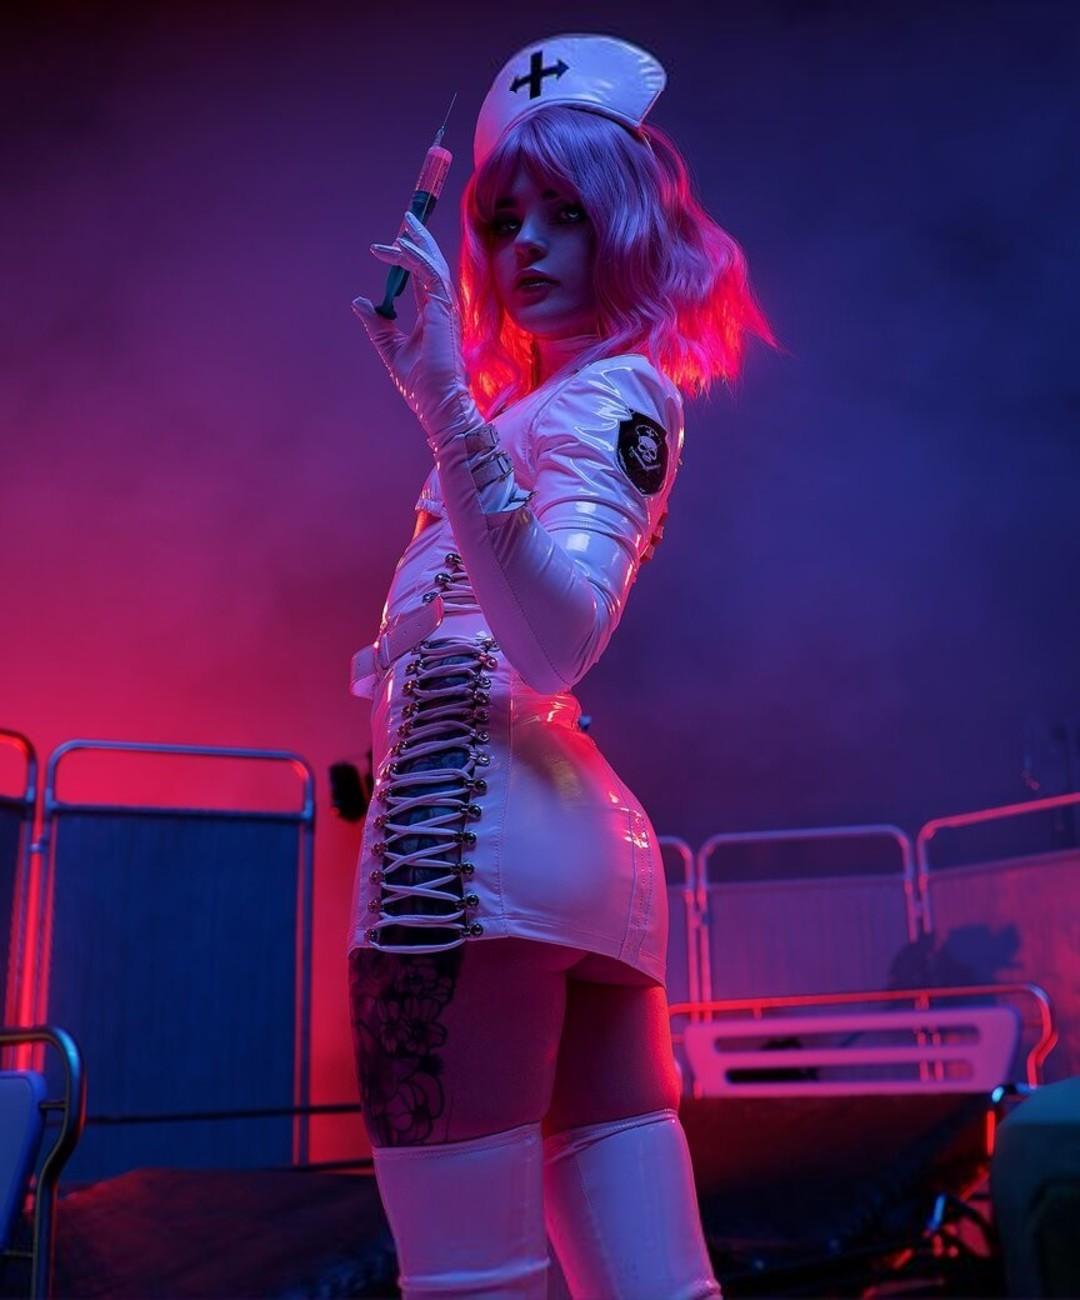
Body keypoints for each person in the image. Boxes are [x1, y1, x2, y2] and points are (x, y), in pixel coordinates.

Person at [347, 32, 777, 1299]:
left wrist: (444, 405)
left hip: (457, 842)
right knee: (652, 1281)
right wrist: (447, 402)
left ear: (629, 225)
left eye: (565, 212)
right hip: (579, 849)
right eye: (502, 220)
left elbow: (557, 636)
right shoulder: (562, 403)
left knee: (467, 1280)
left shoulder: (607, 395)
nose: (523, 245)